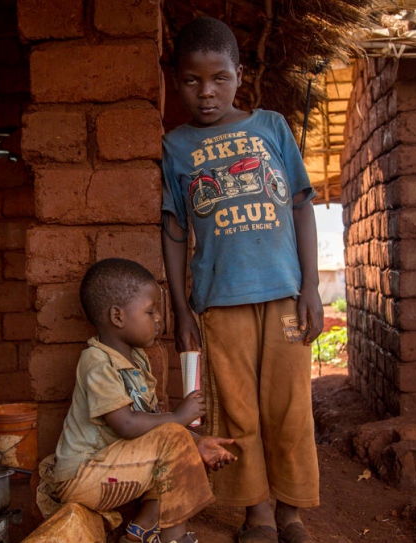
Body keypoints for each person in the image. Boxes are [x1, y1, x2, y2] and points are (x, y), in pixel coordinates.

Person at [160, 17, 325, 543]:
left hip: (283, 297)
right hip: (219, 303)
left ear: (240, 74)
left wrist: (313, 287)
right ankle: (255, 513)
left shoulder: (272, 128)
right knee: (236, 409)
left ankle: (291, 511)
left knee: (290, 406)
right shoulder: (176, 148)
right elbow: (173, 231)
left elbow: (300, 208)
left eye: (219, 78)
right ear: (176, 80)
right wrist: (182, 309)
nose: (206, 92)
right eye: (192, 80)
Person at [35, 258, 238, 543]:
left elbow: (153, 423)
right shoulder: (97, 361)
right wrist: (179, 418)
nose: (158, 319)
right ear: (117, 317)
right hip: (83, 477)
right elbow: (127, 424)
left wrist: (196, 443)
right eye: (150, 311)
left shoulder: (137, 359)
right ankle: (175, 537)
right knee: (173, 437)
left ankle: (140, 531)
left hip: (112, 468)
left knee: (178, 445)